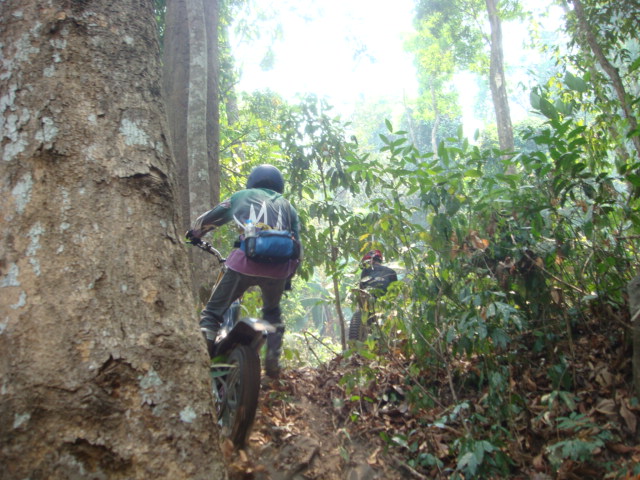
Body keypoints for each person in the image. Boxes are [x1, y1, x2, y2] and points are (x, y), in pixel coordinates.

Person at [186, 164, 301, 378]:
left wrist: (195, 233)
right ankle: (273, 362)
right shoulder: (288, 206)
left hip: (243, 264)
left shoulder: (241, 196)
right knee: (272, 314)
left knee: (212, 313)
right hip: (279, 271)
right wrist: (288, 277)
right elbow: (297, 247)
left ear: (253, 180)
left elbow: (212, 218)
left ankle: (199, 365)